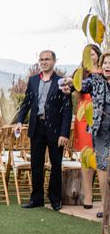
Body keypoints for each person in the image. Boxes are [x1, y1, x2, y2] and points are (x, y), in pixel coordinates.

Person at [15, 50, 72, 211]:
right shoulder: (33, 81)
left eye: (47, 59)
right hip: (37, 127)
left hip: (55, 130)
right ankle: (37, 198)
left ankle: (55, 199)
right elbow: (26, 103)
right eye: (41, 59)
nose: (44, 62)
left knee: (56, 165)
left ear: (54, 61)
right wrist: (19, 121)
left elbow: (67, 109)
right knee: (36, 165)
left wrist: (64, 133)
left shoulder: (61, 82)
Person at [63, 51, 110, 218]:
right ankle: (106, 208)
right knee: (103, 168)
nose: (107, 66)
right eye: (105, 63)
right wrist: (72, 81)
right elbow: (82, 85)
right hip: (100, 132)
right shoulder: (95, 81)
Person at [72, 44, 101, 210]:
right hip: (84, 117)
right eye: (87, 55)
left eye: (92, 54)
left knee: (103, 155)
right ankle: (88, 194)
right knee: (86, 156)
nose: (90, 57)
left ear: (98, 55)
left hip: (102, 115)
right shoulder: (80, 75)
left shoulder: (105, 71)